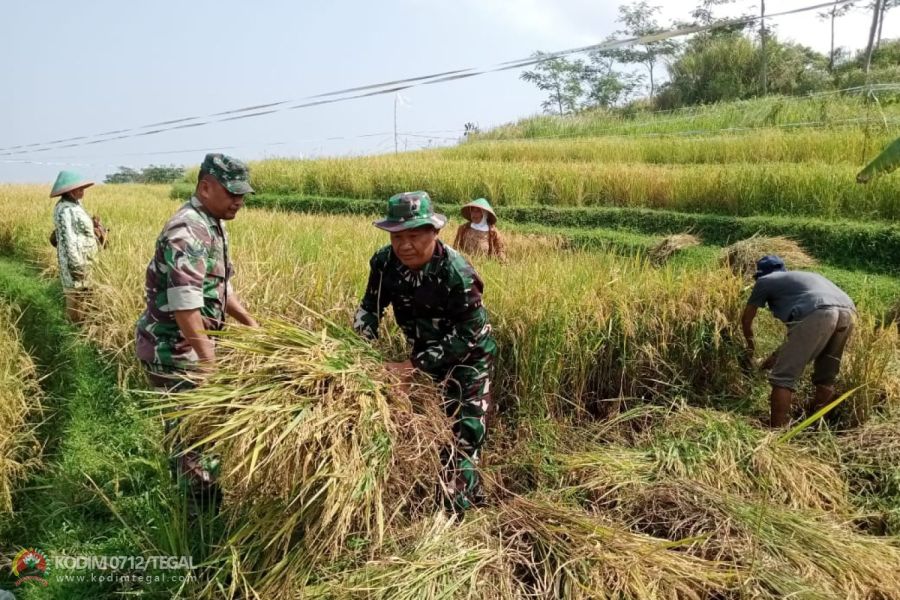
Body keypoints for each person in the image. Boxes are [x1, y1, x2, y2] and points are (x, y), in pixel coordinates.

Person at [354, 191, 498, 511]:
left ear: (434, 232)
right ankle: (465, 492)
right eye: (397, 236)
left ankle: (454, 517)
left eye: (414, 236)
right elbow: (370, 309)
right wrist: (358, 355)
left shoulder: (457, 273)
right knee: (435, 428)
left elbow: (469, 333)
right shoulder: (384, 263)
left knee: (464, 435)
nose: (405, 245)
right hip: (424, 353)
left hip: (469, 359)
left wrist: (411, 366)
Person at [135, 153, 258, 489]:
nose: (239, 201)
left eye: (243, 194)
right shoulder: (187, 232)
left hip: (192, 348)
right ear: (205, 187)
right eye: (232, 193)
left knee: (200, 432)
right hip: (174, 352)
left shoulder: (212, 224)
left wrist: (252, 325)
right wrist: (209, 362)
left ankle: (198, 495)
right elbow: (185, 306)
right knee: (193, 436)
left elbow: (219, 287)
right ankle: (195, 509)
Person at [741, 255, 856, 427]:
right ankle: (816, 426)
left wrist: (750, 348)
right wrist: (773, 358)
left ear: (760, 274)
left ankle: (777, 432)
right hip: (848, 312)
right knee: (826, 378)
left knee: (783, 378)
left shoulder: (764, 281)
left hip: (818, 311)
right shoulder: (800, 279)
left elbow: (746, 319)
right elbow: (798, 337)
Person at [49, 171, 107, 323]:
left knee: (86, 296)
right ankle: (70, 329)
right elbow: (67, 239)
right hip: (75, 261)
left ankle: (82, 327)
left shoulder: (76, 205)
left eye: (83, 188)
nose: (82, 191)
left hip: (87, 258)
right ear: (70, 191)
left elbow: (79, 230)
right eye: (79, 189)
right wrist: (76, 266)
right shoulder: (64, 210)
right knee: (74, 298)